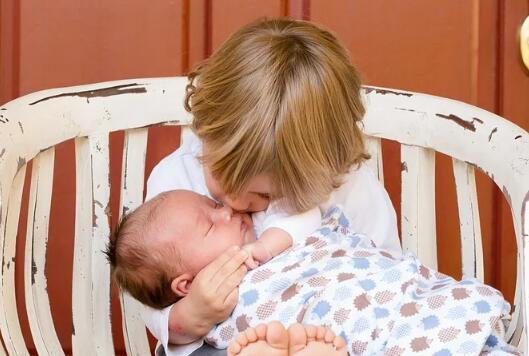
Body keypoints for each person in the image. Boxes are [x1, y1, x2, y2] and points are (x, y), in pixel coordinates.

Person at [142, 18, 401, 356]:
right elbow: (150, 286)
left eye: (265, 195)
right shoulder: (174, 183)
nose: (235, 202)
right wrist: (187, 316)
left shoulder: (349, 188)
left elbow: (388, 277)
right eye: (221, 174)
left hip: (335, 337)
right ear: (205, 130)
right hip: (225, 343)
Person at [106, 189, 347, 356]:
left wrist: (266, 246)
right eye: (210, 227)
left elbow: (305, 214)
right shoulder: (212, 307)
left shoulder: (264, 222)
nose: (227, 212)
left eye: (215, 204)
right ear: (186, 285)